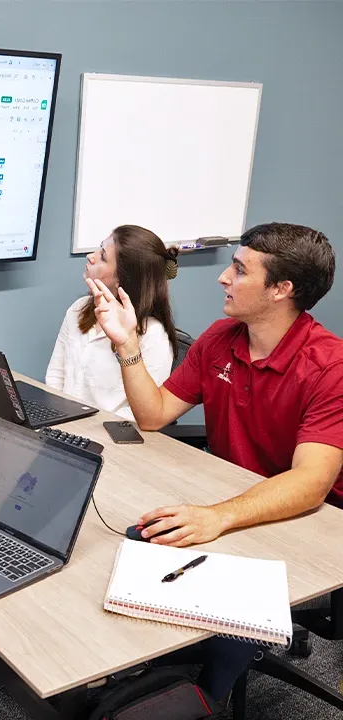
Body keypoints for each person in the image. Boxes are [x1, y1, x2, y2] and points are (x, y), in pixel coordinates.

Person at [86, 222, 343, 701]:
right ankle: (143, 672)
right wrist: (127, 345)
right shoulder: (222, 337)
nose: (223, 278)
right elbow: (153, 415)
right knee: (140, 536)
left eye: (239, 270)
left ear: (281, 290)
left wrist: (218, 517)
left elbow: (310, 484)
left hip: (306, 518)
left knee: (233, 602)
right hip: (230, 498)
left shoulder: (330, 366)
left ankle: (202, 700)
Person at [46, 225, 178, 420]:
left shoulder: (153, 337)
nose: (91, 256)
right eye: (100, 248)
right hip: (62, 426)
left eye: (103, 256)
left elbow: (140, 416)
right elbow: (55, 379)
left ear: (122, 280)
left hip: (109, 439)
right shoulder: (79, 309)